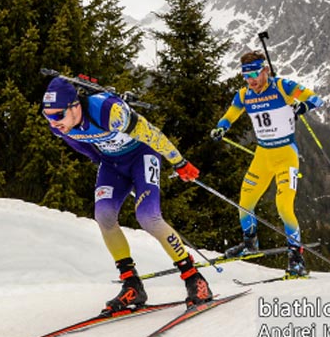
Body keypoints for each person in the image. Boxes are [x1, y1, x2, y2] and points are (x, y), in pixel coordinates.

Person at [42, 76, 213, 313]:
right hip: (112, 165)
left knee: (148, 217)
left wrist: (179, 162)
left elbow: (152, 135)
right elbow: (80, 143)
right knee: (103, 215)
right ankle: (132, 283)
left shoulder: (109, 112)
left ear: (75, 106)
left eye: (57, 115)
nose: (53, 122)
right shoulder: (61, 126)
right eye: (47, 116)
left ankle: (194, 277)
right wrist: (99, 158)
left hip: (141, 156)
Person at [210, 51, 323, 276]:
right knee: (245, 202)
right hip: (262, 156)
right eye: (245, 74)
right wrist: (221, 127)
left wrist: (302, 107)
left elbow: (316, 99)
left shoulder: (283, 86)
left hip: (286, 156)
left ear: (265, 70)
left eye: (254, 73)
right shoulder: (244, 95)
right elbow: (230, 115)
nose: (251, 79)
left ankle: (296, 257)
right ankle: (250, 244)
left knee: (284, 206)